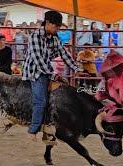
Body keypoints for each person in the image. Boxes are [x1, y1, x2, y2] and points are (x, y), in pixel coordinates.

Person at [22, 10, 84, 142]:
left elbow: (64, 53)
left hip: (46, 70)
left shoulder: (54, 38)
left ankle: (51, 125)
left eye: (58, 26)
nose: (57, 29)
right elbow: (39, 62)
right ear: (48, 23)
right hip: (35, 72)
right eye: (56, 26)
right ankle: (33, 130)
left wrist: (76, 68)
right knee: (41, 101)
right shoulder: (35, 37)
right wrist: (54, 76)